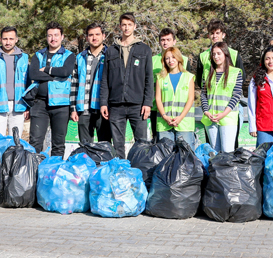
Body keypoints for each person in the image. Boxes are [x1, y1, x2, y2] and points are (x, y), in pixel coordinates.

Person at [99, 13, 154, 158]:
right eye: (124, 24)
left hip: (138, 105)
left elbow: (149, 78)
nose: (126, 28)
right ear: (119, 26)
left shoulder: (144, 50)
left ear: (135, 26)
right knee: (117, 145)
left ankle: (141, 172)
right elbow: (105, 79)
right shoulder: (111, 51)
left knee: (141, 144)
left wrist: (148, 103)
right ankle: (120, 173)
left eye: (130, 24)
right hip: (116, 105)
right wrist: (103, 103)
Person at [28, 22, 79, 156]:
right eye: (50, 35)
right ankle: (35, 173)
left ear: (62, 37)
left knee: (58, 144)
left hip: (61, 105)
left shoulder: (68, 55)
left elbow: (65, 71)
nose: (53, 39)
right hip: (39, 104)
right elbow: (33, 73)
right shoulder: (39, 55)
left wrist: (46, 70)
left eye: (56, 35)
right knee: (35, 142)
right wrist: (53, 76)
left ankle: (53, 173)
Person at [0, 26, 31, 137]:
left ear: (16, 39)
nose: (8, 42)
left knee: (16, 141)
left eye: (11, 39)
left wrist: (28, 106)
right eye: (5, 39)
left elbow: (28, 84)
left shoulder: (24, 58)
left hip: (19, 105)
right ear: (0, 39)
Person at [201, 42, 244, 152]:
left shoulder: (235, 72)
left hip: (227, 118)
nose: (216, 57)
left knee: (227, 151)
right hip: (211, 118)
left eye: (219, 53)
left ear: (225, 54)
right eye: (213, 54)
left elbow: (236, 96)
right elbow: (203, 94)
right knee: (214, 152)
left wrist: (223, 114)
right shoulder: (207, 72)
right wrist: (206, 111)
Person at [73, 23, 111, 145]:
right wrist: (73, 109)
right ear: (87, 37)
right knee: (85, 147)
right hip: (83, 109)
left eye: (97, 34)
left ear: (103, 36)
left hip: (103, 109)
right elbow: (74, 84)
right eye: (91, 35)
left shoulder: (111, 56)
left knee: (105, 146)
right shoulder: (80, 57)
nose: (94, 37)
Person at [155, 46, 198, 148]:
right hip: (164, 123)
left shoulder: (188, 77)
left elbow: (190, 99)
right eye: (167, 58)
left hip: (184, 123)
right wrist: (165, 117)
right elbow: (158, 99)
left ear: (178, 58)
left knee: (185, 157)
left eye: (173, 57)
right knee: (165, 156)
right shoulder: (160, 78)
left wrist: (180, 118)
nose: (171, 60)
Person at [151, 29, 188, 140]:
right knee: (160, 146)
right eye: (163, 40)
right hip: (156, 110)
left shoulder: (185, 60)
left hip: (180, 111)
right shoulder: (152, 60)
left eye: (168, 39)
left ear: (174, 41)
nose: (165, 43)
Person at [195, 20, 240, 86]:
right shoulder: (202, 56)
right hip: (209, 95)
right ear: (208, 36)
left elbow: (241, 77)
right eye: (212, 33)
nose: (214, 36)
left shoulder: (234, 54)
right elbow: (199, 80)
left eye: (217, 33)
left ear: (223, 35)